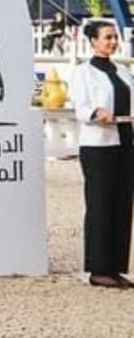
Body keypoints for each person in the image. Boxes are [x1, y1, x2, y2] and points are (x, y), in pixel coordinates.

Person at [70, 20, 134, 288]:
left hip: (125, 142)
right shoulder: (82, 72)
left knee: (122, 204)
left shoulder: (123, 71)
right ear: (93, 41)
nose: (112, 42)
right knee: (99, 204)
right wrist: (98, 113)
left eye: (114, 37)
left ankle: (115, 267)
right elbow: (81, 106)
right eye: (106, 37)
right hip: (98, 145)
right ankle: (98, 269)